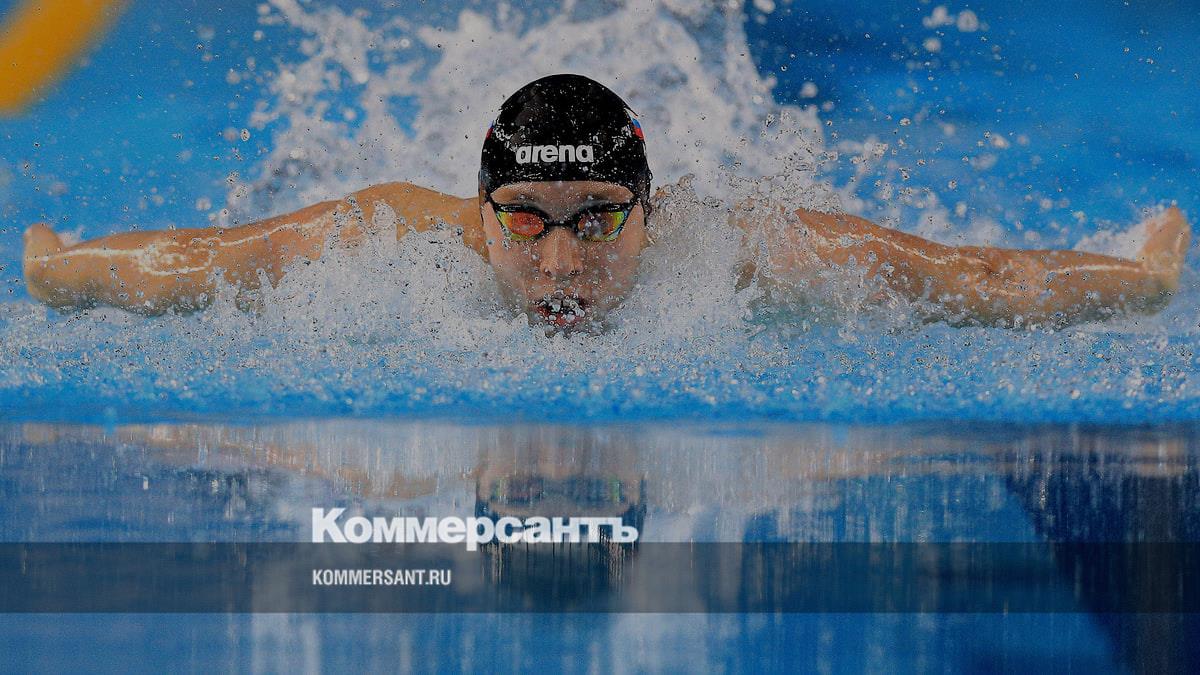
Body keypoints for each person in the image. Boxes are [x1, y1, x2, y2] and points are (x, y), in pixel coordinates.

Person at [21, 73, 1191, 331]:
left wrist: (1137, 280)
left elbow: (971, 279)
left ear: (650, 209)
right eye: (525, 220)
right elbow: (195, 260)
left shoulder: (742, 254)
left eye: (598, 218)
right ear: (478, 210)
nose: (561, 265)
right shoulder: (388, 239)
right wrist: (58, 265)